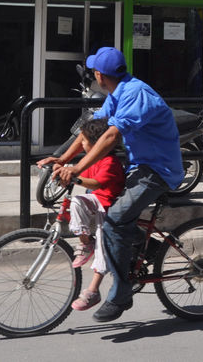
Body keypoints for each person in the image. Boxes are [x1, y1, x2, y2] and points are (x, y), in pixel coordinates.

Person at [39, 47, 183, 323]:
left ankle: (121, 294)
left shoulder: (135, 94)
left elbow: (110, 136)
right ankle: (146, 246)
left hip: (159, 170)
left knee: (115, 220)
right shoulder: (117, 93)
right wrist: (63, 158)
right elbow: (91, 129)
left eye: (94, 72)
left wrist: (76, 169)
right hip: (140, 165)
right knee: (103, 206)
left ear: (99, 75)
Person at [56, 117, 126, 312]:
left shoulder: (109, 162)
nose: (83, 145)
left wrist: (75, 179)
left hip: (109, 206)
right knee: (77, 202)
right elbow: (81, 176)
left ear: (96, 145)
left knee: (103, 243)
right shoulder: (93, 160)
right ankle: (86, 242)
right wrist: (63, 170)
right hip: (97, 201)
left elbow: (95, 184)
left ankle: (93, 290)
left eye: (85, 142)